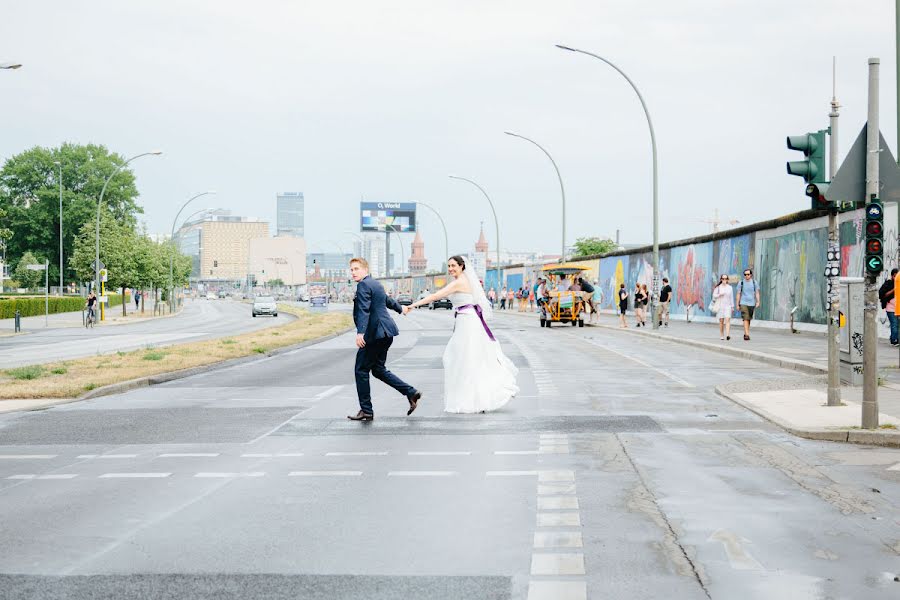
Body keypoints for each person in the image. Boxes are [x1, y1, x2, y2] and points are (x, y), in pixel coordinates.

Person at [406, 255, 518, 413]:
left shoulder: (459, 282)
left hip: (468, 322)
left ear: (462, 266)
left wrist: (413, 305)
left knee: (462, 359)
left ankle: (472, 399)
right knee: (466, 359)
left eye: (453, 266)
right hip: (466, 321)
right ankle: (474, 397)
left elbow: (435, 296)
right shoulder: (465, 280)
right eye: (449, 266)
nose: (451, 269)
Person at [348, 257, 420, 421]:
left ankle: (366, 410)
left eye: (356, 269)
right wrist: (401, 308)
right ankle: (410, 392)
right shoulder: (375, 283)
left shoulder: (364, 285)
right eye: (351, 269)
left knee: (361, 369)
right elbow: (387, 300)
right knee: (378, 370)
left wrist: (360, 332)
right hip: (386, 333)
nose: (353, 272)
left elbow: (364, 310)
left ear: (365, 269)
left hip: (374, 334)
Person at [738, 268, 761, 340]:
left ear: (751, 275)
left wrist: (758, 301)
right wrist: (737, 304)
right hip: (743, 302)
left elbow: (757, 293)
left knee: (748, 319)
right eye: (745, 274)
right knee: (745, 318)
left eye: (748, 274)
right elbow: (738, 294)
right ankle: (747, 335)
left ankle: (745, 333)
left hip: (752, 303)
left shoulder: (754, 282)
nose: (746, 276)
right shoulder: (741, 282)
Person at [712, 274, 735, 340]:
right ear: (721, 279)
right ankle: (722, 335)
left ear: (727, 280)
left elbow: (731, 297)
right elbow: (714, 295)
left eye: (725, 279)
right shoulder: (718, 287)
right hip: (720, 307)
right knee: (721, 321)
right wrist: (719, 294)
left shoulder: (730, 287)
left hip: (728, 306)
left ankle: (727, 335)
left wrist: (732, 306)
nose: (724, 280)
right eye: (723, 279)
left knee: (727, 320)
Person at [881, 269, 899, 345]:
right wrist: (894, 289)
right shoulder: (888, 284)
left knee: (898, 325)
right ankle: (894, 340)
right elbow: (883, 294)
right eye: (895, 276)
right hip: (891, 309)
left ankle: (894, 337)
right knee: (894, 324)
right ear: (892, 276)